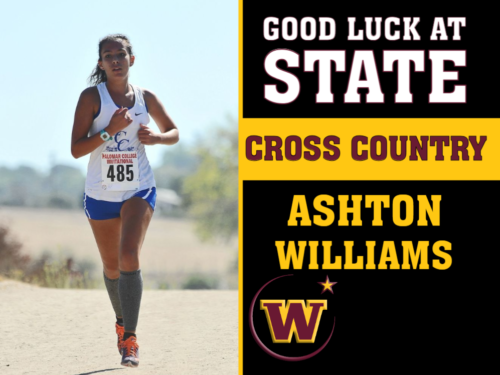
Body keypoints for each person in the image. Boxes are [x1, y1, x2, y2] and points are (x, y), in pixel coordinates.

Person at [71, 34, 179, 368]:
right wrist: (109, 130)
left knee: (129, 254)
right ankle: (121, 323)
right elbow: (76, 149)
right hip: (101, 192)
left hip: (139, 188)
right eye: (108, 55)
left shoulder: (146, 98)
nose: (115, 60)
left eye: (121, 54)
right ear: (101, 63)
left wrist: (157, 138)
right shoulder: (92, 97)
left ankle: (130, 339)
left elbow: (173, 131)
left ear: (132, 59)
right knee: (112, 266)